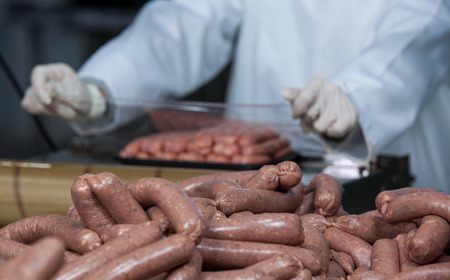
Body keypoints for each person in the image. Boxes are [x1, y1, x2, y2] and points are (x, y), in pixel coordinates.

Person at [21, 0, 450, 193]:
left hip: (396, 180)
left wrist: (355, 96)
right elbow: (185, 19)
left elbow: (421, 30)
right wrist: (99, 90)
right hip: (260, 192)